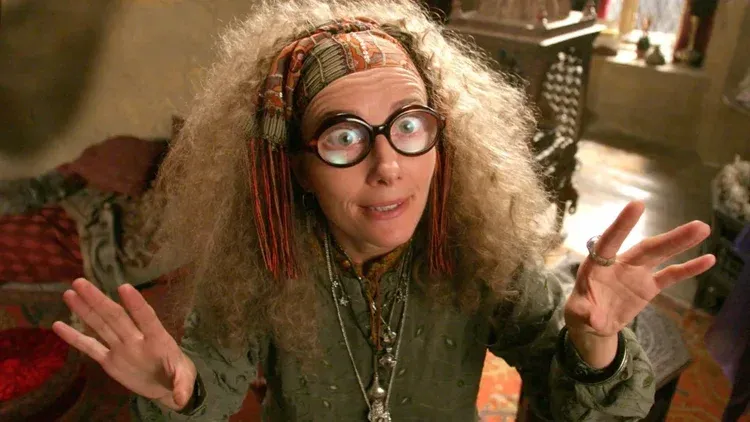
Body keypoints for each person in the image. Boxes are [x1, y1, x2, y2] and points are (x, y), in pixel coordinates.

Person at [51, 0, 717, 420]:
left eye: (409, 125)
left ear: (443, 142)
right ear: (296, 167)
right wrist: (182, 386)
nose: (388, 164)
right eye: (344, 137)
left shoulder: (481, 253)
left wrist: (595, 344)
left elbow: (588, 406)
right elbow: (215, 379)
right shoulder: (262, 259)